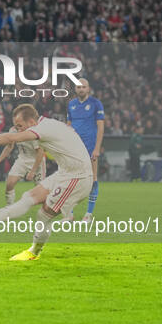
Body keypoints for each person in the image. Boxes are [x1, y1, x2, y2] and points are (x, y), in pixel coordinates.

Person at [0, 104, 93, 261]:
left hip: (77, 178)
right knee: (28, 197)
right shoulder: (48, 123)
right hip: (65, 173)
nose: (18, 130)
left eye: (20, 126)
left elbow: (10, 138)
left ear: (31, 122)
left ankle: (34, 252)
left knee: (44, 214)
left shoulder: (43, 129)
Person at [67, 78, 104, 222]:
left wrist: (97, 148)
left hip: (90, 147)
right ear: (75, 89)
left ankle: (88, 214)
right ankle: (69, 214)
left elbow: (100, 127)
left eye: (83, 87)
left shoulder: (95, 104)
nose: (81, 89)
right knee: (71, 179)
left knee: (93, 180)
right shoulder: (71, 104)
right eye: (78, 87)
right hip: (75, 148)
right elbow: (69, 125)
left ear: (88, 89)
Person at [0, 126, 46, 205]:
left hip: (37, 161)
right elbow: (9, 146)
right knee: (10, 183)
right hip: (22, 159)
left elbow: (40, 152)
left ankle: (56, 209)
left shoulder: (33, 132)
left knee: (42, 193)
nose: (17, 125)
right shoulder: (13, 130)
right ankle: (9, 208)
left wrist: (33, 171)